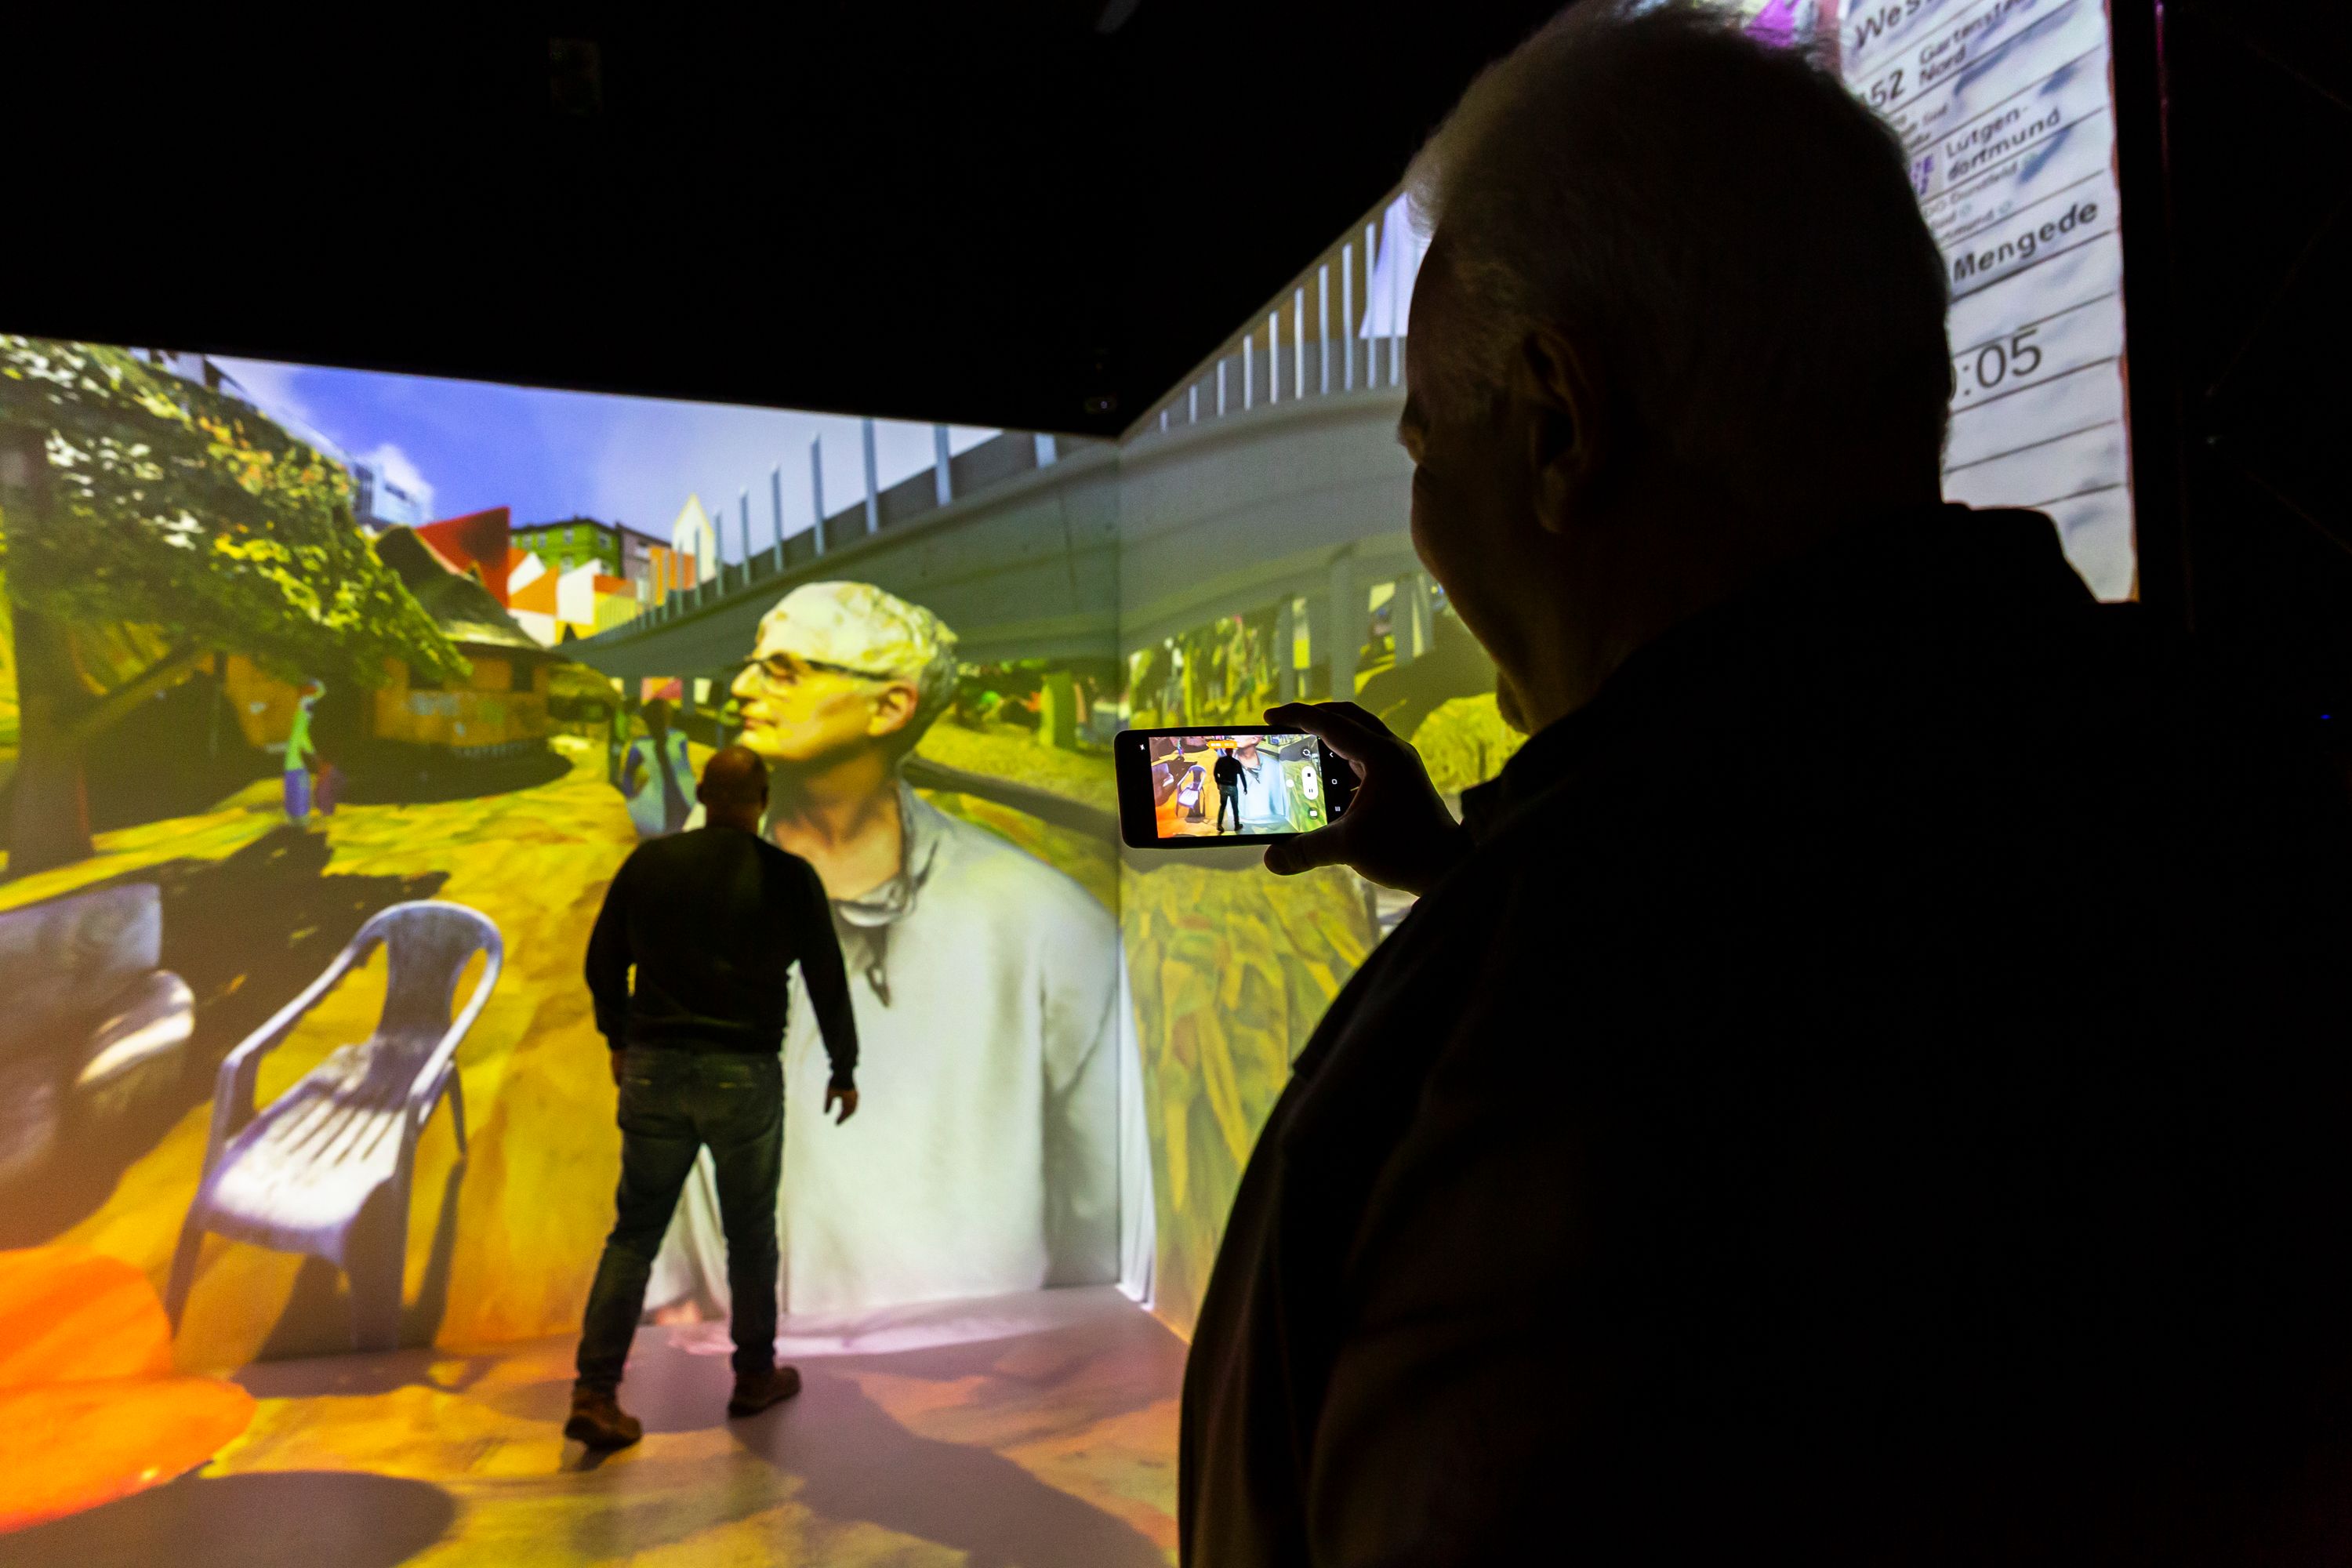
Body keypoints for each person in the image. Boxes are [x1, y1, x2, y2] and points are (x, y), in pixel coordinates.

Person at [1179, 5, 2352, 1565]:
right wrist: (1467, 873)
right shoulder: (2241, 787)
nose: (1421, 517)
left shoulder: (1565, 1031)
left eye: (1424, 446)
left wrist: (1504, 924)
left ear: (1556, 426)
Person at [645, 580, 1138, 1322]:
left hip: (982, 1374)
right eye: (754, 664)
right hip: (739, 1360)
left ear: (890, 706)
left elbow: (1106, 1202)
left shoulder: (1043, 923)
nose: (741, 688)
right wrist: (671, 1298)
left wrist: (1053, 1359)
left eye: (784, 670)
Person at [568, 746, 861, 1451]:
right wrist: (843, 1066)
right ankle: (754, 1376)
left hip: (656, 1067)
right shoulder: (789, 878)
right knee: (750, 1236)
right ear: (763, 798)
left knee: (634, 1232)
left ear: (701, 792)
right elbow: (826, 978)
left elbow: (602, 959)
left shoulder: (651, 865)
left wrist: (618, 1035)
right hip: (743, 1073)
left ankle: (596, 1391)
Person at [619, 695, 695, 838]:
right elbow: (628, 774)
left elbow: (686, 767)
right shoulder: (641, 745)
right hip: (658, 799)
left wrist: (630, 795)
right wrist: (630, 796)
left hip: (680, 796)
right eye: (666, 714)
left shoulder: (678, 738)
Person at [281, 680, 321, 824]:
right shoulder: (303, 713)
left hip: (293, 759)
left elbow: (301, 734)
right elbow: (301, 736)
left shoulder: (301, 714)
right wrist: (312, 753)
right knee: (301, 783)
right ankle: (299, 819)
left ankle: (295, 818)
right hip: (296, 759)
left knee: (298, 783)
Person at [1211, 746, 1246, 832]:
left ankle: (1219, 825)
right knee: (1235, 807)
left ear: (1226, 752)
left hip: (1223, 786)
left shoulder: (1220, 761)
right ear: (1232, 752)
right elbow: (1241, 775)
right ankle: (1236, 825)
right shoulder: (1236, 762)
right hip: (1233, 787)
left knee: (1222, 806)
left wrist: (1218, 782)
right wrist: (1245, 786)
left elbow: (1215, 773)